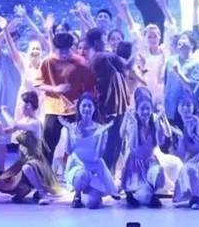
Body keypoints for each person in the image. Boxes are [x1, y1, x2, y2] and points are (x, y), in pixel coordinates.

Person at [0, 91, 62, 205]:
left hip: (36, 162)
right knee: (3, 180)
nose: (21, 107)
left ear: (30, 105)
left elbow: (15, 126)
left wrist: (5, 113)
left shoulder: (35, 123)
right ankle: (24, 188)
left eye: (23, 104)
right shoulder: (22, 121)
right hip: (23, 160)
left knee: (27, 168)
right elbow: (5, 132)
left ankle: (42, 192)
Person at [78, 27, 131, 173]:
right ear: (96, 42)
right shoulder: (103, 57)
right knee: (112, 143)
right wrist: (138, 48)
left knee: (112, 142)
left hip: (111, 107)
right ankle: (107, 174)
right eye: (104, 38)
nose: (106, 41)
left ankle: (107, 173)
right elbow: (126, 66)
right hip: (112, 108)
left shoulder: (99, 57)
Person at [39, 32, 95, 164]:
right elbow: (38, 83)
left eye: (67, 50)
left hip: (75, 109)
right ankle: (45, 172)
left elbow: (90, 87)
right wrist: (55, 89)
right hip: (54, 108)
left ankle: (78, 171)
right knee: (48, 145)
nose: (64, 54)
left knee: (79, 142)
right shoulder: (48, 61)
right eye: (60, 51)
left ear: (71, 48)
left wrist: (81, 101)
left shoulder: (81, 62)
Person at [120, 87, 179, 207]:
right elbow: (132, 144)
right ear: (137, 110)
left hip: (150, 161)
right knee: (145, 197)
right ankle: (134, 191)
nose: (145, 112)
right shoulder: (133, 121)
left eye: (148, 109)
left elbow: (166, 136)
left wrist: (163, 118)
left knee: (160, 173)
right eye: (142, 109)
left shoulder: (154, 119)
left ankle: (149, 189)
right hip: (136, 165)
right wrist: (133, 124)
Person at [62, 93, 118, 209]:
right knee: (81, 175)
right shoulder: (72, 127)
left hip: (94, 168)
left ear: (94, 108)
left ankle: (92, 192)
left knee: (91, 204)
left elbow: (98, 155)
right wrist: (67, 131)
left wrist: (101, 134)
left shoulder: (100, 128)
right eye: (84, 106)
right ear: (79, 108)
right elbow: (69, 151)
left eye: (89, 106)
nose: (86, 109)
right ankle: (77, 195)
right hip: (78, 167)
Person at [164, 31, 199, 119]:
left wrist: (178, 72)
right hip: (170, 107)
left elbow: (192, 88)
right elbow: (166, 84)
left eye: (184, 38)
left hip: (186, 109)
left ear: (192, 44)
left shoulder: (197, 64)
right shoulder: (171, 60)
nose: (180, 40)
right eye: (180, 38)